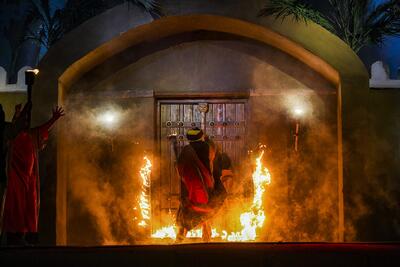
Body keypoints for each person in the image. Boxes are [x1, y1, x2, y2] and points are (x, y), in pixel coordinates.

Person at [2, 104, 64, 245]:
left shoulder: (30, 137)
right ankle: (15, 236)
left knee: (26, 208)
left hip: (27, 181)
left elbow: (41, 129)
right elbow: (36, 129)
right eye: (43, 141)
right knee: (16, 207)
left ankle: (23, 235)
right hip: (15, 179)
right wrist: (20, 114)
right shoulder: (22, 136)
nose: (43, 144)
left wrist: (53, 119)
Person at [176, 127, 215, 242]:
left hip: (190, 186)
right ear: (200, 136)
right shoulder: (206, 147)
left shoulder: (186, 150)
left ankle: (179, 238)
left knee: (186, 211)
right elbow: (209, 163)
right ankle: (206, 238)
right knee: (205, 210)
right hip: (205, 183)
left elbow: (180, 167)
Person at [0, 103, 31, 243]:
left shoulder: (5, 129)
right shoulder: (4, 129)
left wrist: (22, 112)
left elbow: (15, 128)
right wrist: (24, 112)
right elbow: (15, 129)